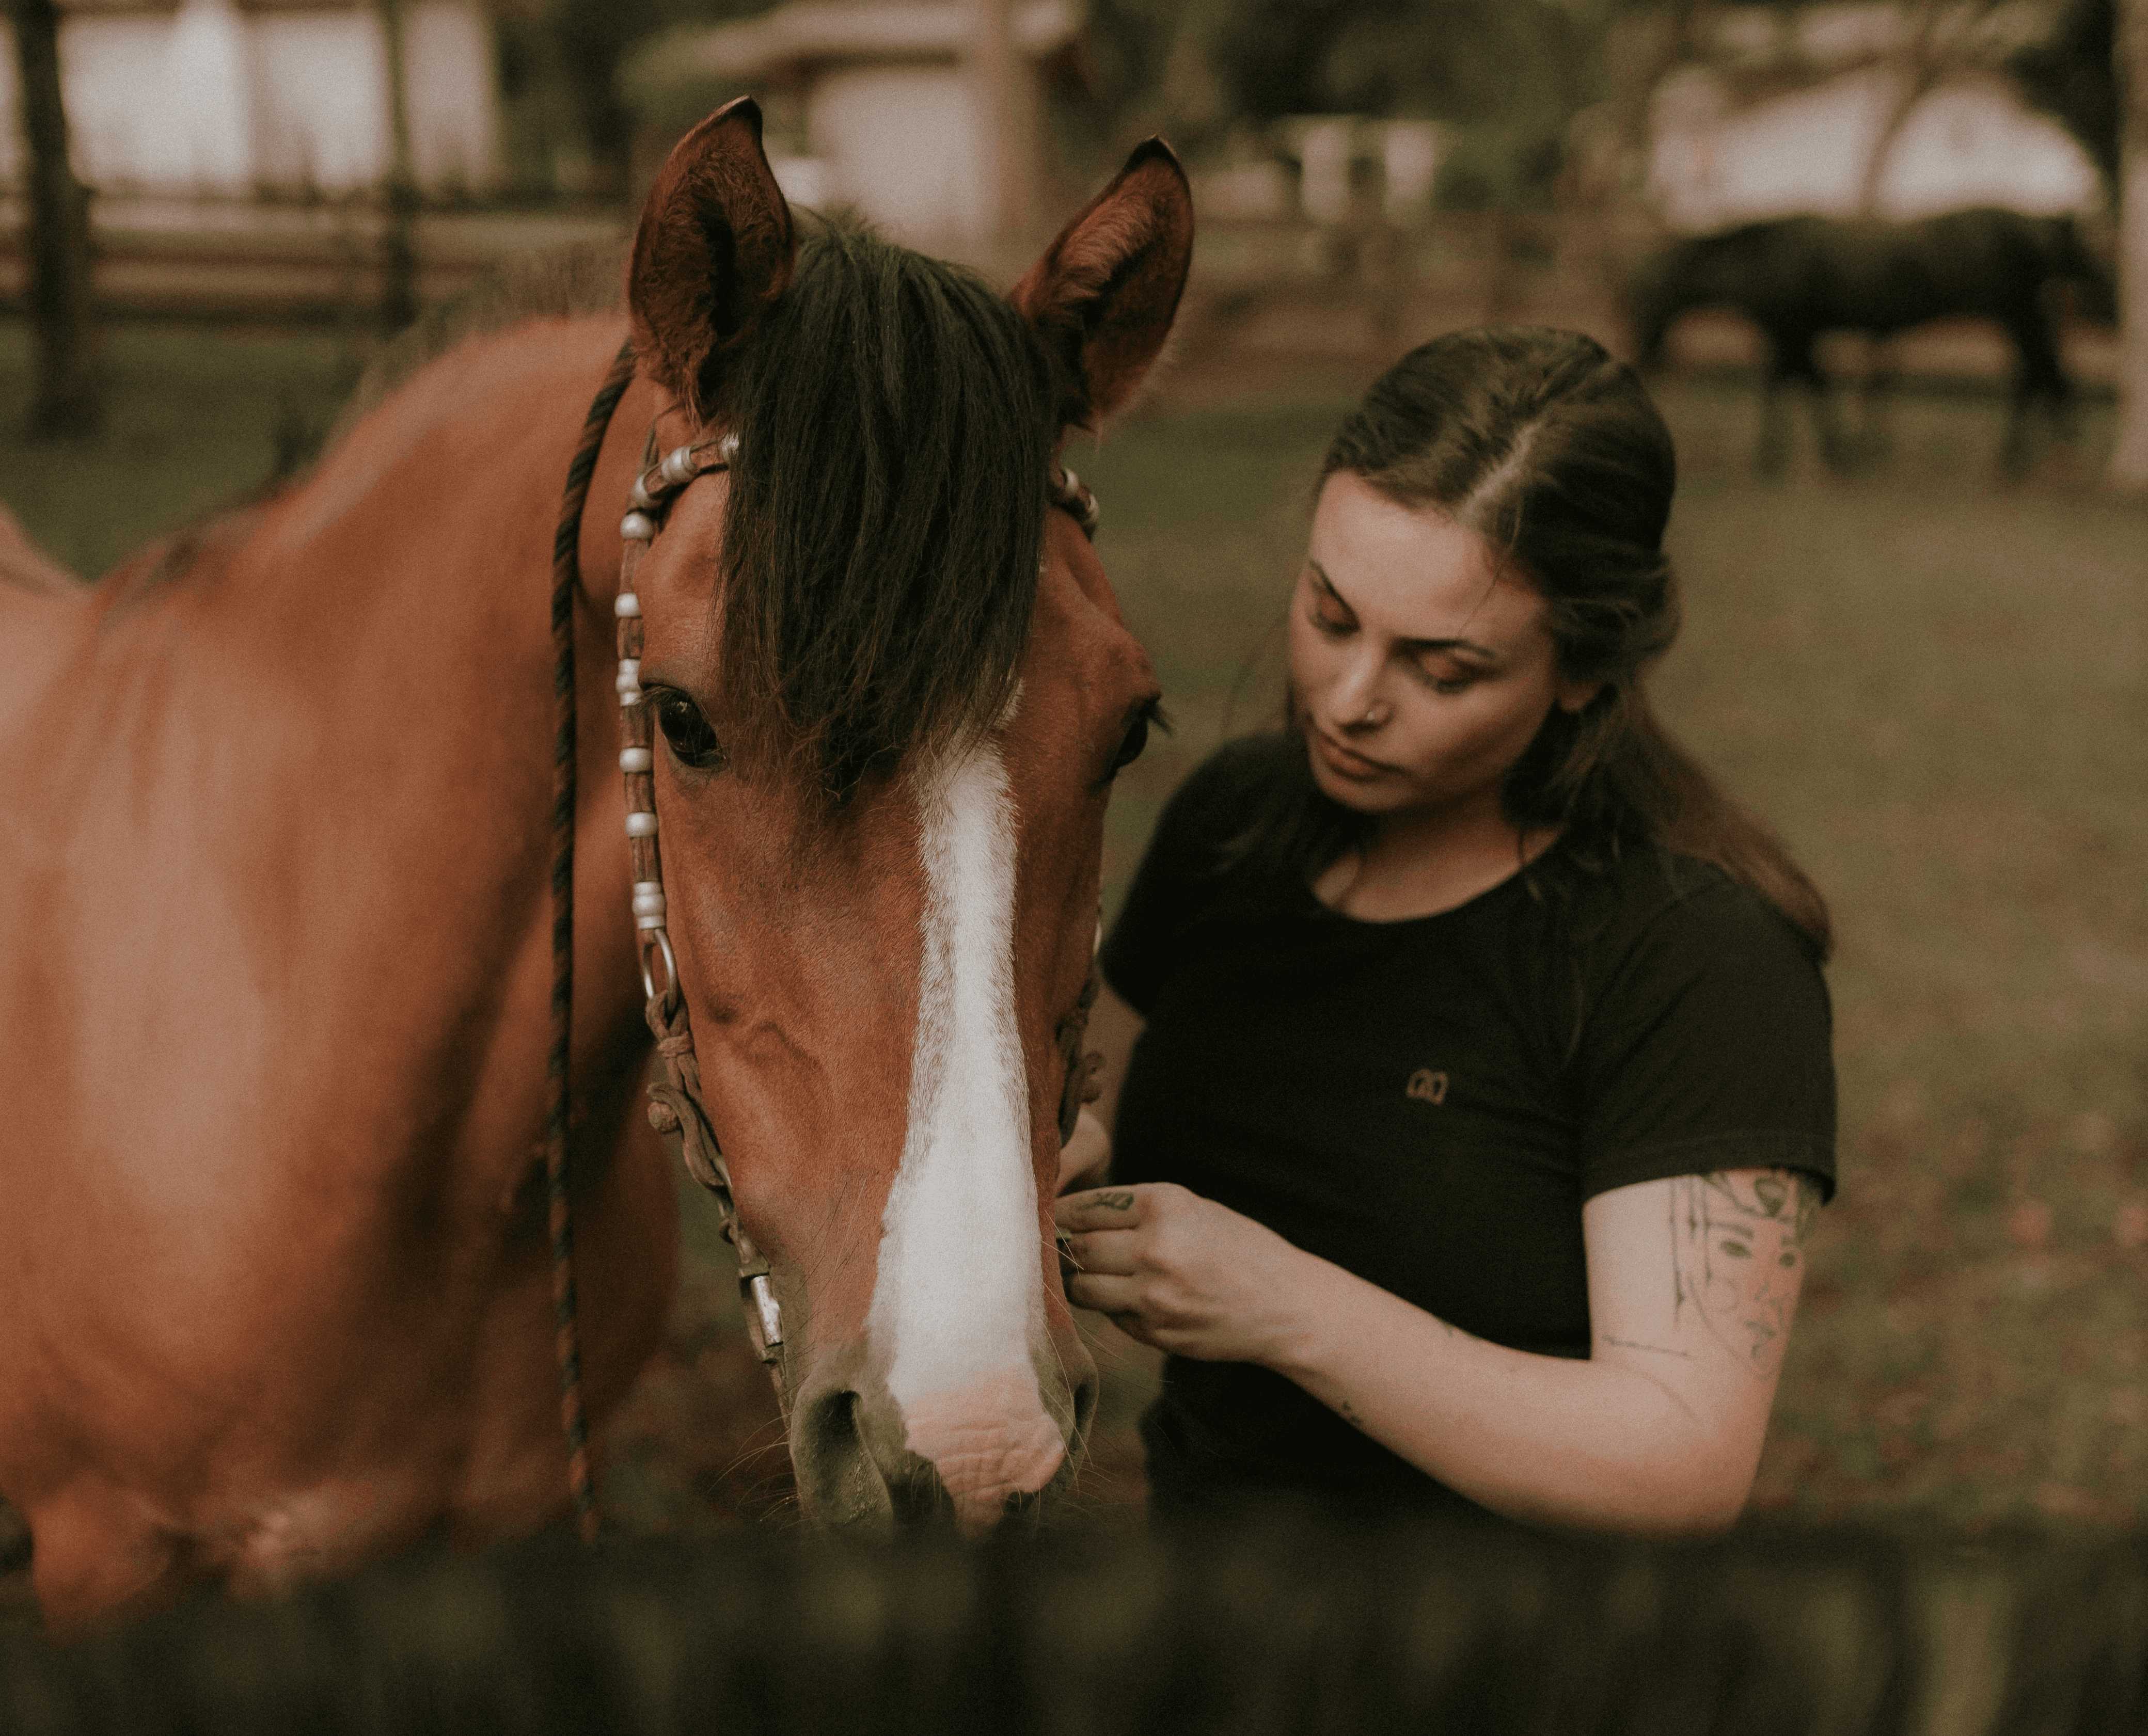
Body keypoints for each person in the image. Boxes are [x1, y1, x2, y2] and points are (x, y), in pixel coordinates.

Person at [1054, 326, 1836, 1535]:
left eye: (1445, 666)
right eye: (1329, 612)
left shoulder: (1696, 956)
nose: (1351, 697)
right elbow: (1081, 1097)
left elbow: (1678, 1465)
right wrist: (1046, 1154)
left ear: (1584, 667)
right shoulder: (1232, 827)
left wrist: (1284, 1306)